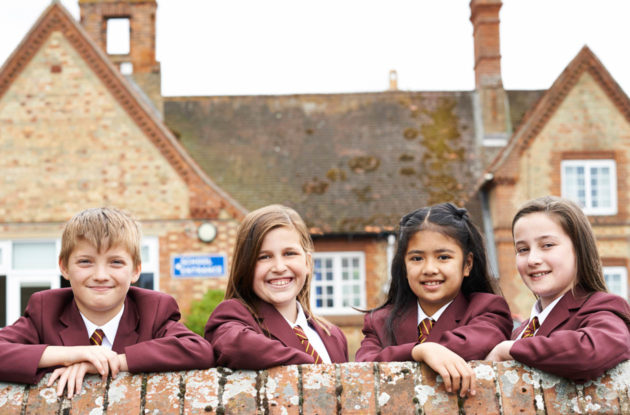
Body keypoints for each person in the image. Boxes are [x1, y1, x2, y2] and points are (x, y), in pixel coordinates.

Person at [0, 207, 214, 397]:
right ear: (64, 267)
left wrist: (113, 361)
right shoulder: (46, 309)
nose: (101, 275)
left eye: (116, 262)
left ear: (136, 270)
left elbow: (198, 350)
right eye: (85, 262)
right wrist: (76, 354)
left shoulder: (154, 309)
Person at [355, 203, 512, 397]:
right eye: (417, 259)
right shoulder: (379, 321)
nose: (429, 269)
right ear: (404, 266)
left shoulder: (487, 309)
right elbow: (362, 369)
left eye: (443, 257)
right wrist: (418, 351)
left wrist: (426, 350)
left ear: (467, 264)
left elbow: (472, 345)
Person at [486, 196, 630, 381]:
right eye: (522, 249)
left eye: (547, 245)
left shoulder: (603, 308)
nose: (532, 259)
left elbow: (591, 351)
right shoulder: (519, 331)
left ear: (579, 249)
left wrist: (509, 349)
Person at [204, 204, 348, 369]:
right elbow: (236, 346)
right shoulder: (233, 317)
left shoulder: (333, 335)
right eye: (264, 257)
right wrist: (314, 369)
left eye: (289, 254)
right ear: (246, 267)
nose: (279, 267)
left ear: (307, 262)